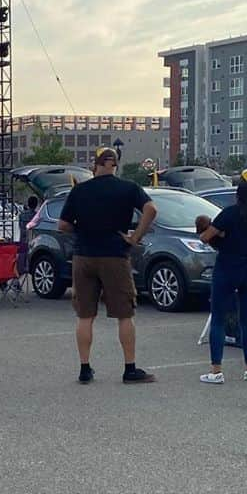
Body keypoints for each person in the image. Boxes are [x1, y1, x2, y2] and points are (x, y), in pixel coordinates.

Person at [58, 147, 158, 384]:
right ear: (116, 164)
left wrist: (82, 230)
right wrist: (135, 238)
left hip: (83, 256)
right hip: (115, 255)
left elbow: (62, 225)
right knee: (125, 314)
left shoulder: (79, 190)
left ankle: (84, 368)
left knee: (85, 315)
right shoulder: (128, 188)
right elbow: (151, 209)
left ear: (96, 164)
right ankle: (130, 368)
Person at [197, 169, 247, 384]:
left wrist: (221, 236)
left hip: (227, 268)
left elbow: (206, 236)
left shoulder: (230, 213)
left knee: (219, 319)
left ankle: (216, 371)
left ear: (240, 189)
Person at [17, 195, 40, 276]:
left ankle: (16, 282)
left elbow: (20, 226)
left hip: (23, 239)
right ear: (36, 205)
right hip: (33, 240)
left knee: (21, 260)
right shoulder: (37, 216)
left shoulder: (22, 215)